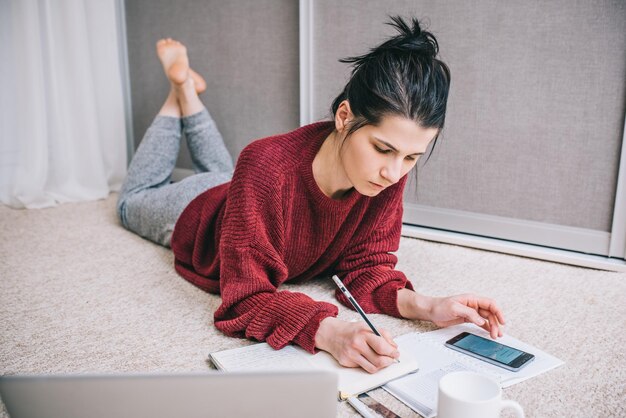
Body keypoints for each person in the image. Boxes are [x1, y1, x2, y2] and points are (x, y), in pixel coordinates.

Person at [117, 17, 505, 374]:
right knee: (132, 202)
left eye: (412, 157)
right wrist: (330, 331)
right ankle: (178, 93)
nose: (394, 172)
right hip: (200, 211)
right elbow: (243, 299)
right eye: (383, 149)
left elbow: (366, 267)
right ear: (343, 117)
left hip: (242, 191)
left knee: (225, 172)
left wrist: (429, 306)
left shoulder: (386, 173)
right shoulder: (266, 167)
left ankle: (188, 93)